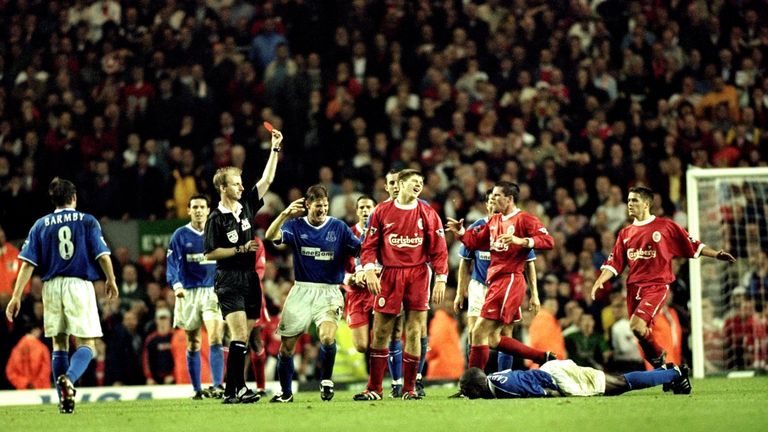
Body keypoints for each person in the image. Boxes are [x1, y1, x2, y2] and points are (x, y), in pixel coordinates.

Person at [5, 177, 119, 414]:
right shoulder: (87, 221)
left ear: (53, 200)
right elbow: (102, 255)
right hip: (78, 284)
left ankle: (64, 401)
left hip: (51, 286)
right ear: (74, 197)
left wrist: (16, 296)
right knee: (88, 344)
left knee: (59, 343)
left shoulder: (40, 224)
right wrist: (111, 279)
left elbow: (26, 264)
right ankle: (69, 379)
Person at [591, 186, 736, 369]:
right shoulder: (625, 233)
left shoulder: (665, 226)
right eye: (628, 200)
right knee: (640, 331)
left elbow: (692, 244)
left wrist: (715, 254)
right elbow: (614, 262)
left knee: (636, 326)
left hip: (656, 286)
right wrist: (599, 280)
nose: (629, 204)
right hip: (634, 287)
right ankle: (668, 369)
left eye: (634, 200)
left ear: (646, 203)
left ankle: (660, 358)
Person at [203, 128, 283, 404]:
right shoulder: (216, 218)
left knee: (244, 338)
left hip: (251, 279)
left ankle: (233, 390)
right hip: (229, 279)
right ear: (223, 188)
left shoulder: (246, 205)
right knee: (237, 335)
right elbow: (210, 253)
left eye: (240, 183)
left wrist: (274, 149)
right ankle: (234, 389)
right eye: (235, 183)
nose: (241, 186)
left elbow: (268, 178)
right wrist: (239, 249)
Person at [354, 169, 449, 401]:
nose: (418, 185)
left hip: (418, 274)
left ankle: (409, 389)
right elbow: (368, 246)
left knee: (415, 330)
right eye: (414, 181)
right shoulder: (382, 211)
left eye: (421, 182)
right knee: (381, 331)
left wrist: (441, 278)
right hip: (389, 273)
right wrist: (369, 271)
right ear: (401, 184)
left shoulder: (428, 213)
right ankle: (374, 388)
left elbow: (439, 249)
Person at [264, 184, 362, 402]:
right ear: (308, 204)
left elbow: (361, 250)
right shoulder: (296, 226)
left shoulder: (338, 227)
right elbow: (271, 236)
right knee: (286, 348)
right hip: (301, 290)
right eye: (318, 206)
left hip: (329, 292)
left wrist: (364, 269)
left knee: (327, 338)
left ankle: (326, 381)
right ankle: (286, 393)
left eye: (325, 206)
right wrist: (284, 214)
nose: (322, 210)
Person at [446, 181, 555, 372]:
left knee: (479, 332)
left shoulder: (524, 219)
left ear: (509, 199)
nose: (492, 200)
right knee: (493, 339)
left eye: (497, 196)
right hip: (493, 282)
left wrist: (521, 241)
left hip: (510, 280)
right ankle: (541, 356)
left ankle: (472, 384)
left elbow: (548, 241)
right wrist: (461, 232)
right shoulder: (494, 222)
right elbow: (475, 241)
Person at [166, 194, 225, 399]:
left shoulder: (217, 233)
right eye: (195, 207)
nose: (199, 210)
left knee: (216, 336)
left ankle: (218, 385)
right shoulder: (180, 235)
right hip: (188, 292)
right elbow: (172, 264)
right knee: (193, 342)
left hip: (212, 291)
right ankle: (197, 389)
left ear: (208, 210)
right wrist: (176, 286)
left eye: (202, 207)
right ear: (189, 210)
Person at [458, 359, 691, 399]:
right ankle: (665, 372)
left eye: (468, 393)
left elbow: (543, 392)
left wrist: (563, 394)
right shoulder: (492, 379)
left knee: (618, 384)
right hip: (551, 368)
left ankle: (675, 373)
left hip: (558, 379)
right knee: (617, 382)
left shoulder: (505, 391)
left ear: (477, 388)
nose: (468, 397)